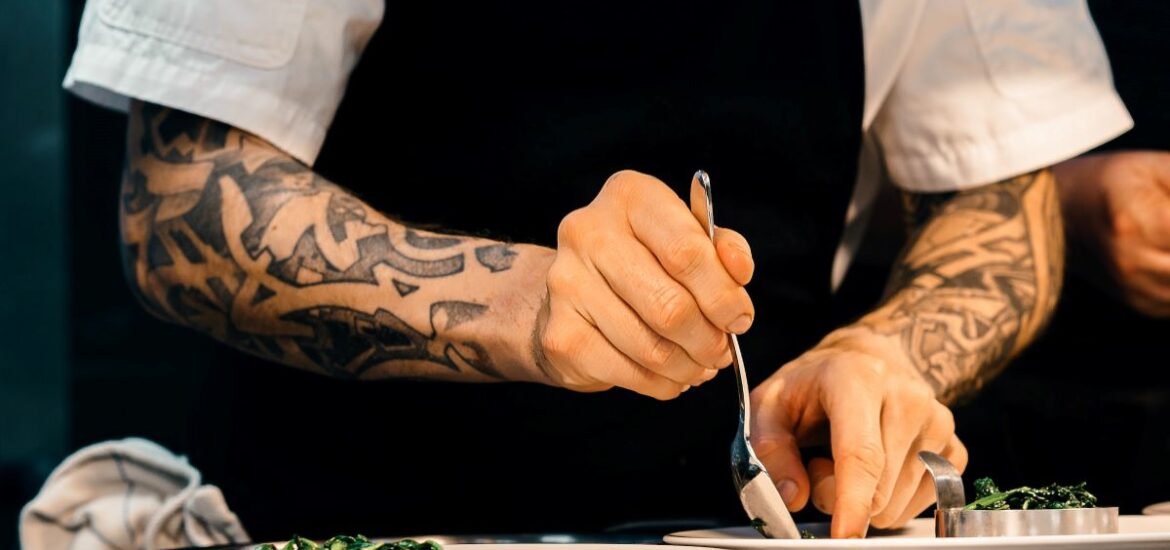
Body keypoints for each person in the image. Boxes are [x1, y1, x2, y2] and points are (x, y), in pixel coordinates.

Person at [59, 0, 1129, 540]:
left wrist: (887, 353)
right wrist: (518, 302)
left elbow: (1002, 181)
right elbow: (180, 196)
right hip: (352, 518)